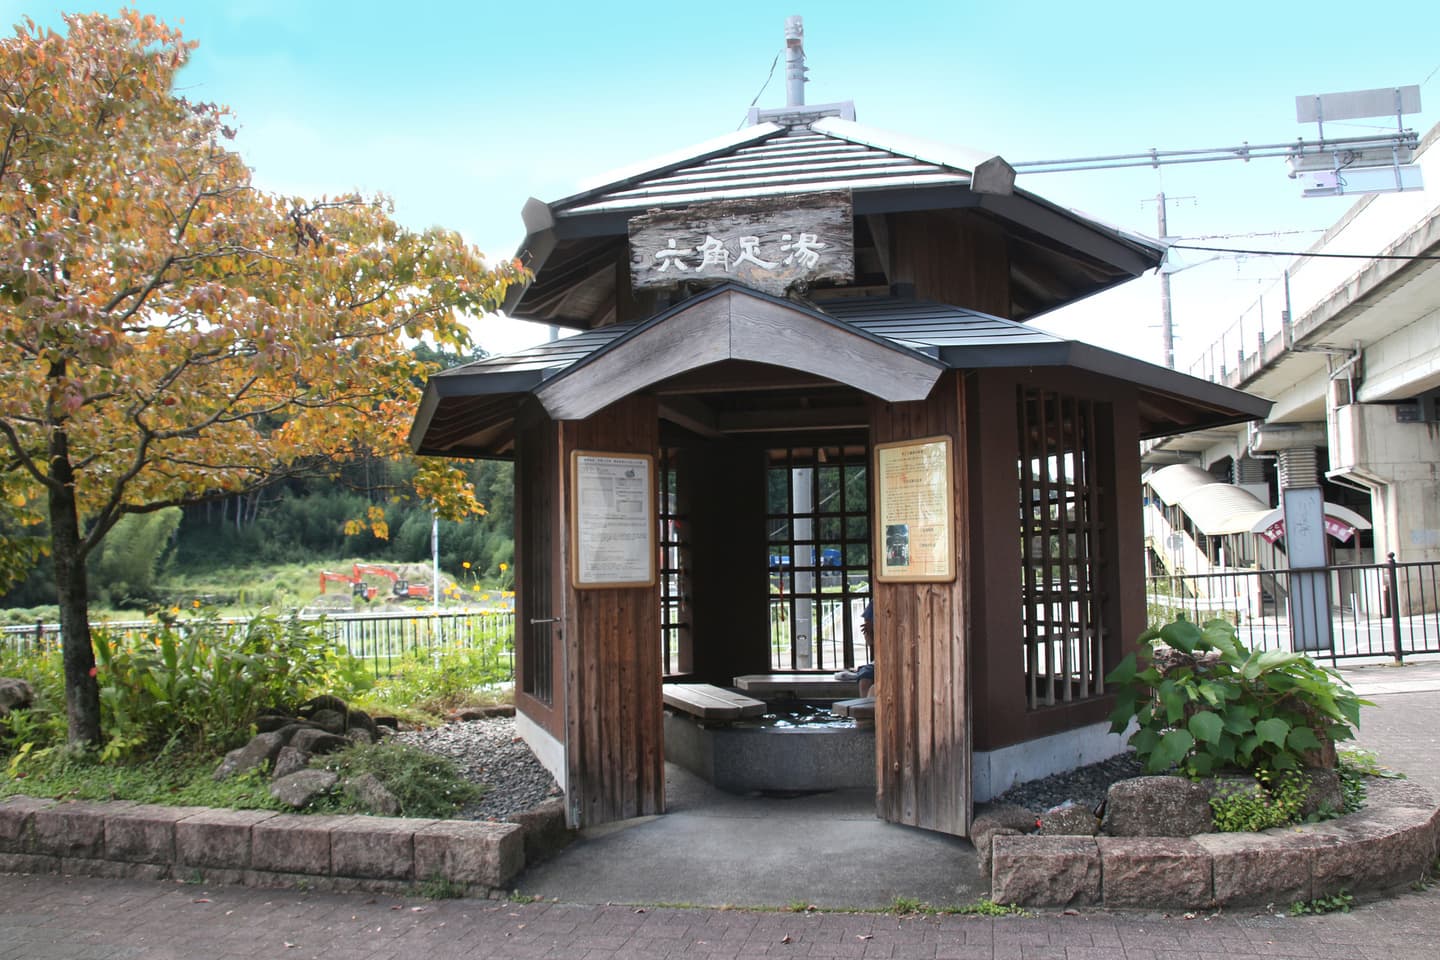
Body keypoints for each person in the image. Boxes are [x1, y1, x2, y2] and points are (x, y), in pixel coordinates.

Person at [834, 602, 875, 697]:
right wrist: (871, 632)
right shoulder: (875, 603)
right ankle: (865, 708)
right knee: (865, 678)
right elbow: (870, 641)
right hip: (879, 662)